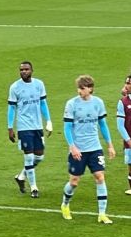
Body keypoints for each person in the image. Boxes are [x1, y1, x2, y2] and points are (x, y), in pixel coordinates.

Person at [61, 74, 116, 224]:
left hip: (94, 148)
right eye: (78, 88)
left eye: (82, 88)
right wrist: (72, 147)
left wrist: (110, 145)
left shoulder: (98, 103)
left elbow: (102, 125)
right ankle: (65, 205)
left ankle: (102, 214)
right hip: (78, 149)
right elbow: (67, 128)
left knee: (100, 177)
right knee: (74, 182)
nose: (79, 91)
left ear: (90, 89)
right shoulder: (71, 104)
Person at [7, 61, 52, 198]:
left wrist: (48, 121)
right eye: (21, 70)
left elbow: (43, 103)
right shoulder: (15, 87)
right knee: (29, 157)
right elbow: (11, 108)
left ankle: (21, 176)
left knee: (39, 156)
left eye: (26, 69)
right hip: (24, 127)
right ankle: (34, 188)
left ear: (32, 70)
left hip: (37, 126)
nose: (23, 72)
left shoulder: (39, 84)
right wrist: (10, 127)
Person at [115, 73, 131, 194]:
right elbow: (120, 125)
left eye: (129, 83)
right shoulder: (123, 102)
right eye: (126, 83)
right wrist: (128, 140)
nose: (126, 85)